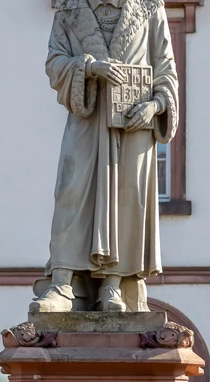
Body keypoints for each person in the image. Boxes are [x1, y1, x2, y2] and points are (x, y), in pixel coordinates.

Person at [32, 0, 180, 313]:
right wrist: (87, 67)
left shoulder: (150, 8)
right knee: (71, 191)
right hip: (87, 117)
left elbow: (166, 72)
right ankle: (62, 284)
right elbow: (54, 62)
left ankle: (114, 285)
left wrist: (154, 107)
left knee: (127, 199)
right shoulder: (70, 9)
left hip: (133, 123)